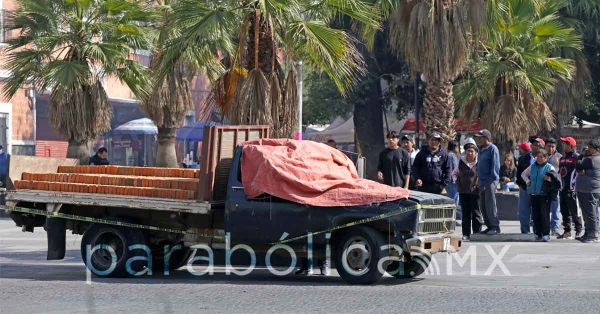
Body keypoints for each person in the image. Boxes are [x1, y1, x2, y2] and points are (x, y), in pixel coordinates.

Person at [522, 149, 561, 242]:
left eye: (541, 157)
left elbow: (556, 180)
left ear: (546, 158)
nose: (539, 159)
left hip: (544, 195)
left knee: (545, 215)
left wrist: (549, 179)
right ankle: (538, 234)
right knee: (535, 215)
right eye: (538, 157)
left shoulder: (549, 167)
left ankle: (546, 234)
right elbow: (523, 174)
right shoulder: (533, 166)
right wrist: (527, 181)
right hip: (534, 194)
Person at [456, 138, 483, 240]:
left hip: (476, 191)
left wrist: (477, 184)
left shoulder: (479, 162)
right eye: (468, 151)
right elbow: (454, 174)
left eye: (472, 151)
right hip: (463, 192)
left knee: (476, 213)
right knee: (466, 214)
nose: (470, 153)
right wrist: (458, 184)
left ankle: (477, 233)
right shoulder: (461, 162)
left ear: (476, 152)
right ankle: (466, 234)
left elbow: (481, 175)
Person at [474, 129, 501, 234]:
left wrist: (491, 181)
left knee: (490, 205)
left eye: (480, 137)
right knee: (483, 206)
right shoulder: (480, 150)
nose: (478, 139)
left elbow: (495, 167)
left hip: (490, 182)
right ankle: (489, 226)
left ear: (486, 138)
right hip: (481, 182)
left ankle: (495, 227)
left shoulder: (492, 148)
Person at [575, 139, 600, 243]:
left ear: (597, 149)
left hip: (589, 190)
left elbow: (578, 165)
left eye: (590, 148)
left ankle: (593, 234)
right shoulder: (591, 158)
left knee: (590, 213)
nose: (588, 150)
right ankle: (588, 233)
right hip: (586, 189)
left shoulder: (592, 159)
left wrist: (582, 156)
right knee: (586, 213)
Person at [557, 137, 583, 239]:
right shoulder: (562, 158)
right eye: (563, 143)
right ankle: (567, 231)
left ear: (570, 145)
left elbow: (579, 173)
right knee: (564, 211)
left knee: (575, 211)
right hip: (563, 189)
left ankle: (579, 231)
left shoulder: (576, 157)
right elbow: (560, 173)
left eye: (565, 143)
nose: (562, 145)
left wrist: (575, 186)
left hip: (572, 189)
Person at [545, 138, 562, 235]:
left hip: (555, 187)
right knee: (545, 209)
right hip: (544, 187)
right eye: (549, 146)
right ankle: (545, 228)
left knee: (555, 209)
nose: (550, 148)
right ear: (545, 146)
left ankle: (555, 228)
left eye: (553, 146)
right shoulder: (542, 156)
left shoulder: (559, 157)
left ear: (555, 147)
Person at [446, 140, 461, 219]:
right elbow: (455, 169)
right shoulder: (452, 156)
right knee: (454, 200)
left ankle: (451, 218)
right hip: (453, 181)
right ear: (455, 147)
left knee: (453, 199)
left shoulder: (448, 154)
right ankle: (452, 218)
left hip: (449, 181)